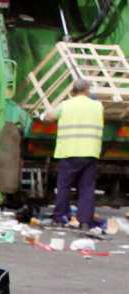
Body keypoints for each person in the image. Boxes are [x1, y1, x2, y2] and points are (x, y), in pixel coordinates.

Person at [46, 79, 104, 231]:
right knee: (86, 188)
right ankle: (85, 222)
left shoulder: (66, 105)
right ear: (87, 90)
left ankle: (59, 218)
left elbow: (49, 117)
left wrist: (43, 114)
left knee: (64, 186)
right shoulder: (97, 106)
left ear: (73, 91)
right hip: (90, 152)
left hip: (69, 152)